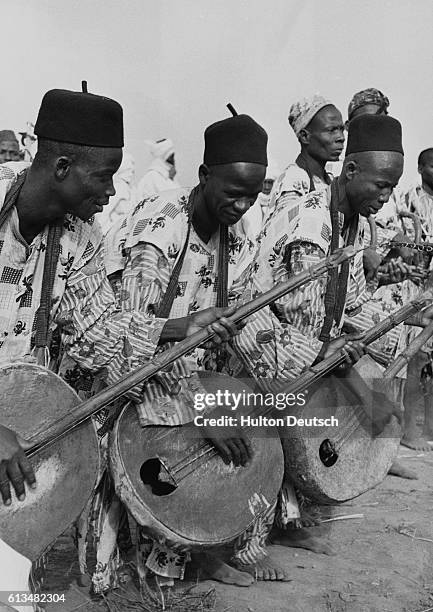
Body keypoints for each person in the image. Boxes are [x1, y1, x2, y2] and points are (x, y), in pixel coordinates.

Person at [0, 88, 239, 610]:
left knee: (16, 588)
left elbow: (96, 331)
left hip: (15, 434)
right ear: (62, 166)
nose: (112, 191)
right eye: (104, 175)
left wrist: (178, 328)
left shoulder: (81, 235)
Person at [95, 112, 296, 588]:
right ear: (204, 177)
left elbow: (244, 318)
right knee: (106, 574)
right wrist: (202, 409)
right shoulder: (159, 228)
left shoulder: (240, 238)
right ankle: (153, 557)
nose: (243, 205)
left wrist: (278, 385)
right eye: (232, 192)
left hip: (183, 375)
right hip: (123, 375)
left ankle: (201, 546)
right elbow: (132, 342)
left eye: (253, 193)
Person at [231, 114, 433, 554]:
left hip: (303, 342)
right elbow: (306, 323)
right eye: (381, 184)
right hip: (260, 339)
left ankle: (280, 523)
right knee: (259, 446)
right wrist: (363, 393)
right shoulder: (309, 222)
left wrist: (406, 316)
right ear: (352, 171)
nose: (387, 195)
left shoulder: (355, 220)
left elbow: (351, 305)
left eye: (393, 186)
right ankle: (237, 545)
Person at [399, 148, 433, 450]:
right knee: (416, 356)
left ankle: (429, 428)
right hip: (418, 286)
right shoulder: (409, 198)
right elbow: (407, 245)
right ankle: (409, 430)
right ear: (421, 168)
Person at [268, 95, 345, 217]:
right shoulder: (293, 181)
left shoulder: (328, 180)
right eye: (331, 130)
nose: (341, 137)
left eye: (342, 129)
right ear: (305, 137)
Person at [98, 151, 137, 234]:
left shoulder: (130, 189)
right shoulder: (119, 187)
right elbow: (105, 212)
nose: (130, 173)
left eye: (132, 171)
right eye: (128, 170)